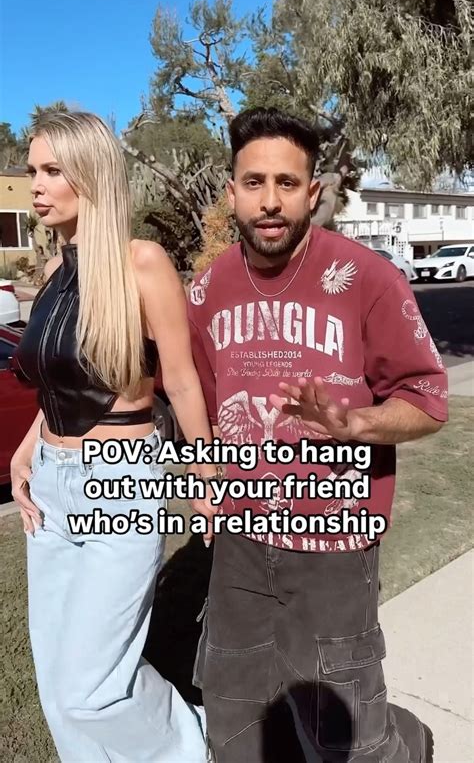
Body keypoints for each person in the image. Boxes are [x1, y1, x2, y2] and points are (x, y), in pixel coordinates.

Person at [188, 107, 448, 762]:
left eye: (286, 182)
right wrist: (203, 472)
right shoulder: (208, 290)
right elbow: (202, 404)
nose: (270, 201)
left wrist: (355, 423)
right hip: (241, 543)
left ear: (313, 192)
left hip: (335, 544)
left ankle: (408, 745)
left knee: (346, 736)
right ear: (232, 192)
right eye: (254, 182)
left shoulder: (368, 279)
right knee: (234, 717)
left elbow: (428, 400)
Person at [11, 111, 217, 763]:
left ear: (92, 175)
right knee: (56, 676)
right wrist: (25, 453)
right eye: (32, 169)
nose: (35, 184)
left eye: (52, 170)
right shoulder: (52, 274)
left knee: (89, 689)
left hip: (119, 478)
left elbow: (180, 382)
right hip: (50, 486)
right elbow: (57, 386)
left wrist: (206, 478)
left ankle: (189, 742)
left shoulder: (142, 263)